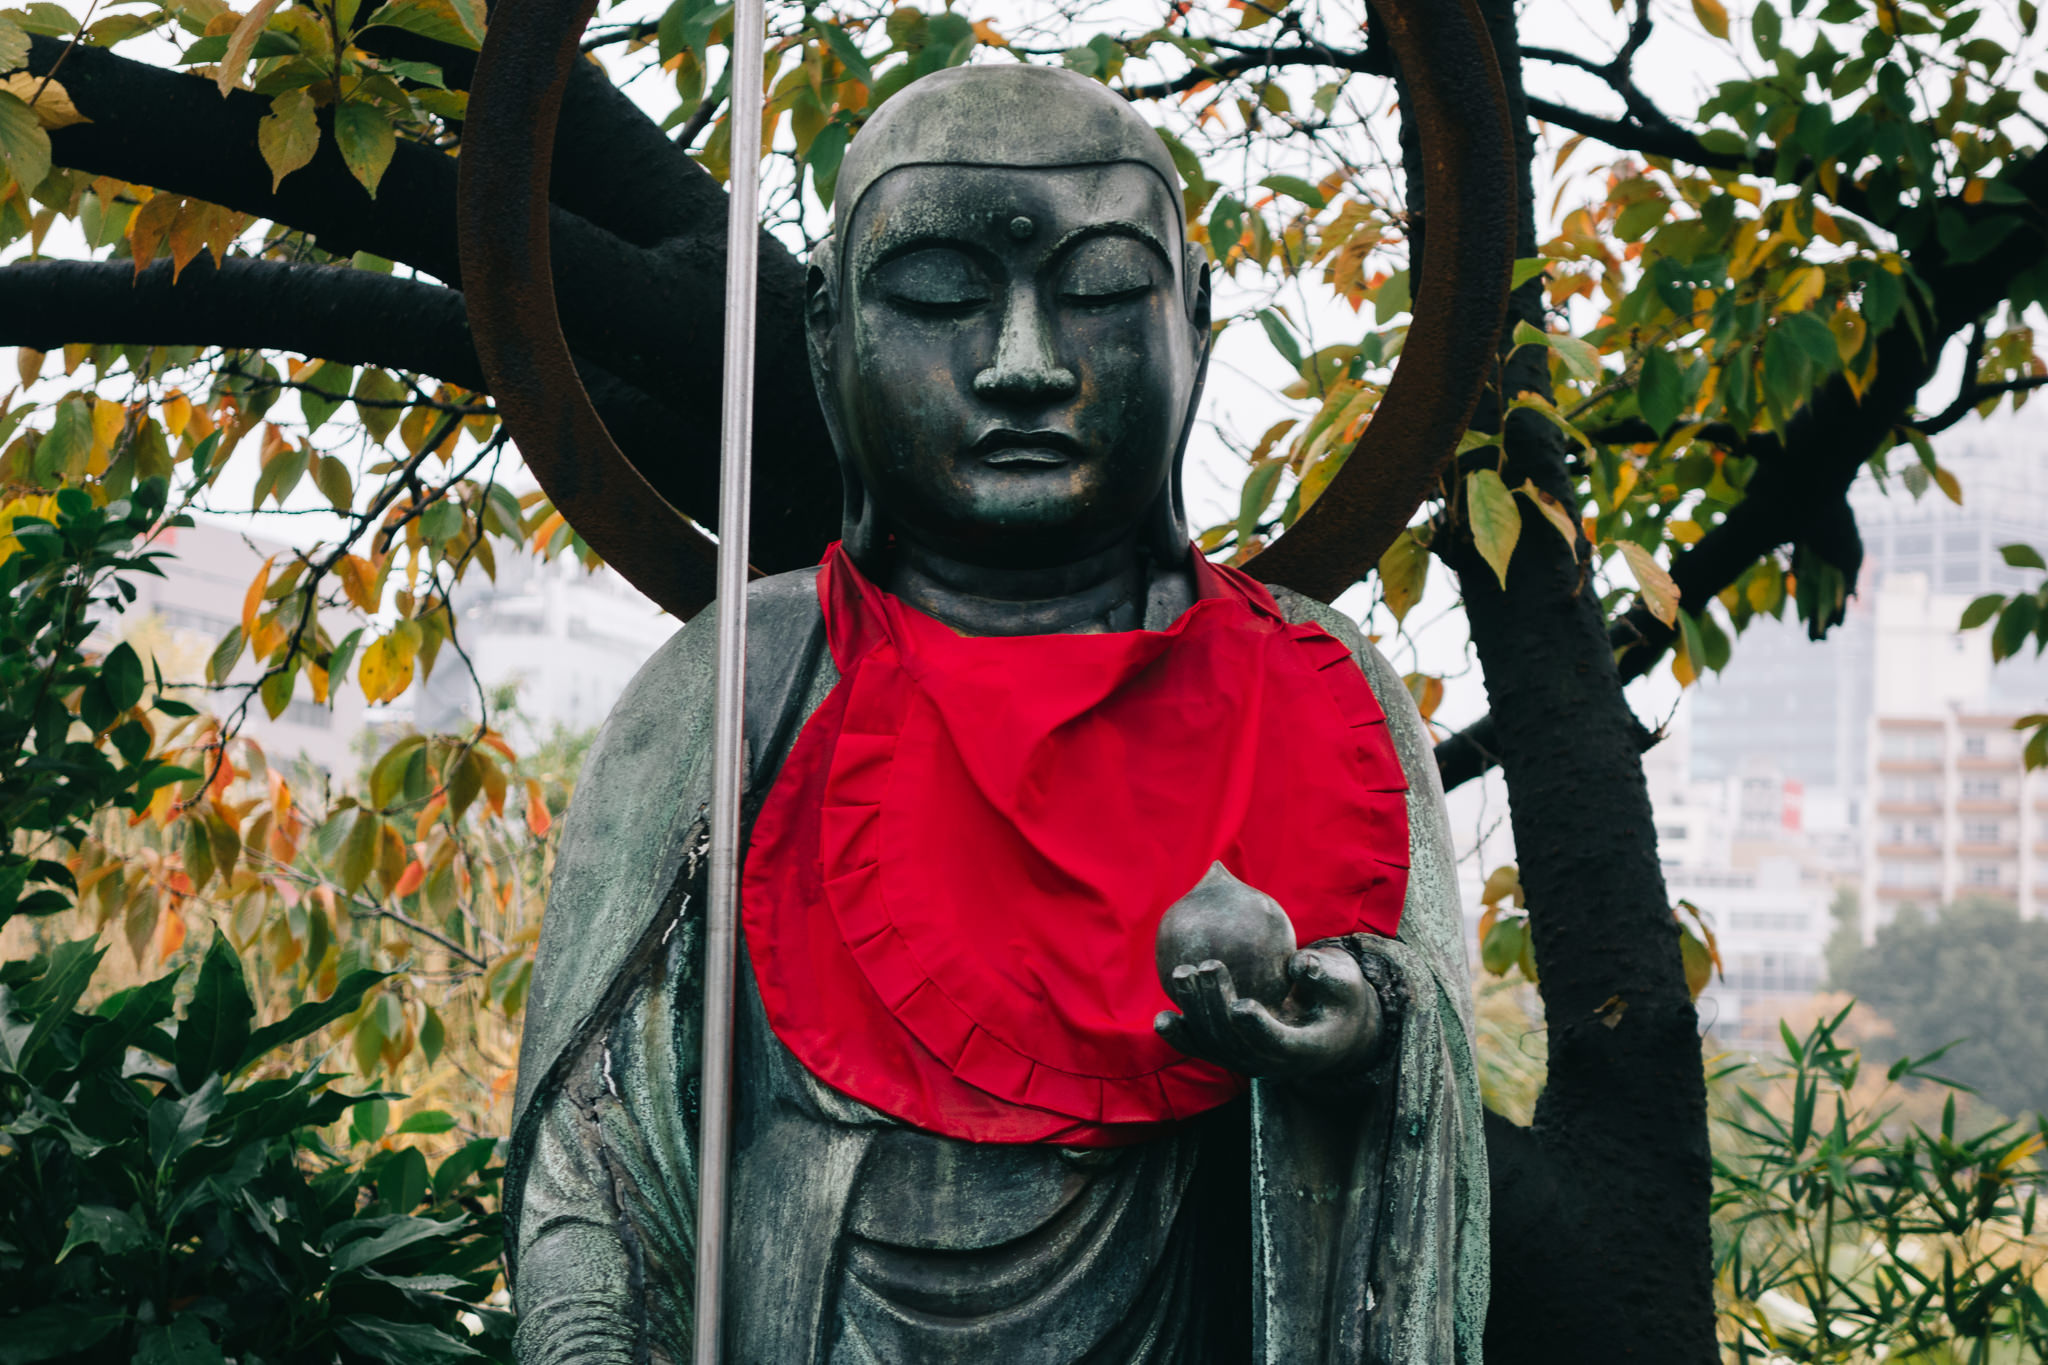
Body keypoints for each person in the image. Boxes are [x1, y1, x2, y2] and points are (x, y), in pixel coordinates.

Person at [504, 62, 1487, 1364]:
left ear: (1194, 318)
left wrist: (1365, 1034)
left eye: (1097, 294)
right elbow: (594, 1158)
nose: (1025, 364)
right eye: (940, 297)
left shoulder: (1319, 694)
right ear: (829, 335)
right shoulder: (737, 685)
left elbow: (1432, 1120)